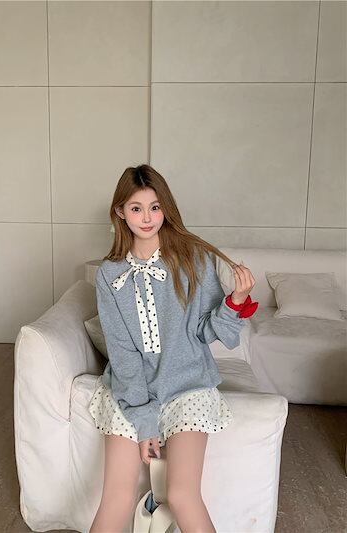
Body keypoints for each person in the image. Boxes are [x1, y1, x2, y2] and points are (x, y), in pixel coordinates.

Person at [88, 164, 258, 532]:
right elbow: (122, 352)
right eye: (136, 208)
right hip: (131, 390)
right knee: (116, 496)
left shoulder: (194, 260)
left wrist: (236, 301)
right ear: (120, 212)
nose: (147, 218)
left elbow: (206, 331)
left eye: (155, 207)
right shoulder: (109, 274)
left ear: (166, 208)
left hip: (188, 385)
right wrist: (144, 419)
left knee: (182, 494)